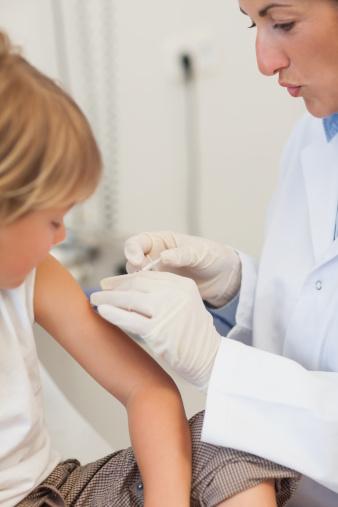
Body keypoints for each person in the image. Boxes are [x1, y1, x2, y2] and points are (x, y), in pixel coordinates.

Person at [0, 30, 299, 507]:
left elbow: (148, 392)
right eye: (54, 220)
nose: (60, 238)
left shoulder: (37, 276)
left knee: (236, 443)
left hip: (63, 490)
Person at [91, 1, 338, 506]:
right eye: (253, 24)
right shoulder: (316, 132)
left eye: (283, 23)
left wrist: (218, 365)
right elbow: (316, 312)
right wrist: (234, 291)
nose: (263, 61)